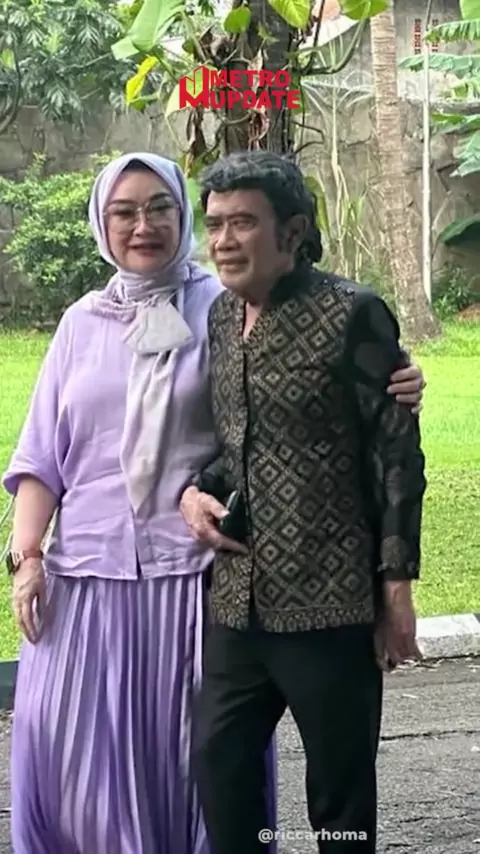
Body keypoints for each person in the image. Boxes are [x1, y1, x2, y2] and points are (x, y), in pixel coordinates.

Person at [3, 151, 279, 854]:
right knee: (63, 753)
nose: (143, 225)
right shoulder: (80, 322)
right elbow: (43, 455)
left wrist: (394, 375)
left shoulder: (225, 308)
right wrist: (27, 557)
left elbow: (298, 387)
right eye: (124, 211)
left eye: (159, 208)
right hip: (85, 578)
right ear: (103, 224)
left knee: (193, 765)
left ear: (183, 215)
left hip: (191, 581)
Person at [179, 151, 427, 854]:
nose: (224, 240)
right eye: (215, 224)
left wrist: (396, 585)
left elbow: (396, 455)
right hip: (238, 602)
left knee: (339, 799)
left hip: (331, 603)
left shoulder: (353, 312)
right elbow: (241, 444)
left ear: (292, 231)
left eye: (243, 223)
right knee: (220, 767)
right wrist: (195, 493)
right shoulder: (222, 318)